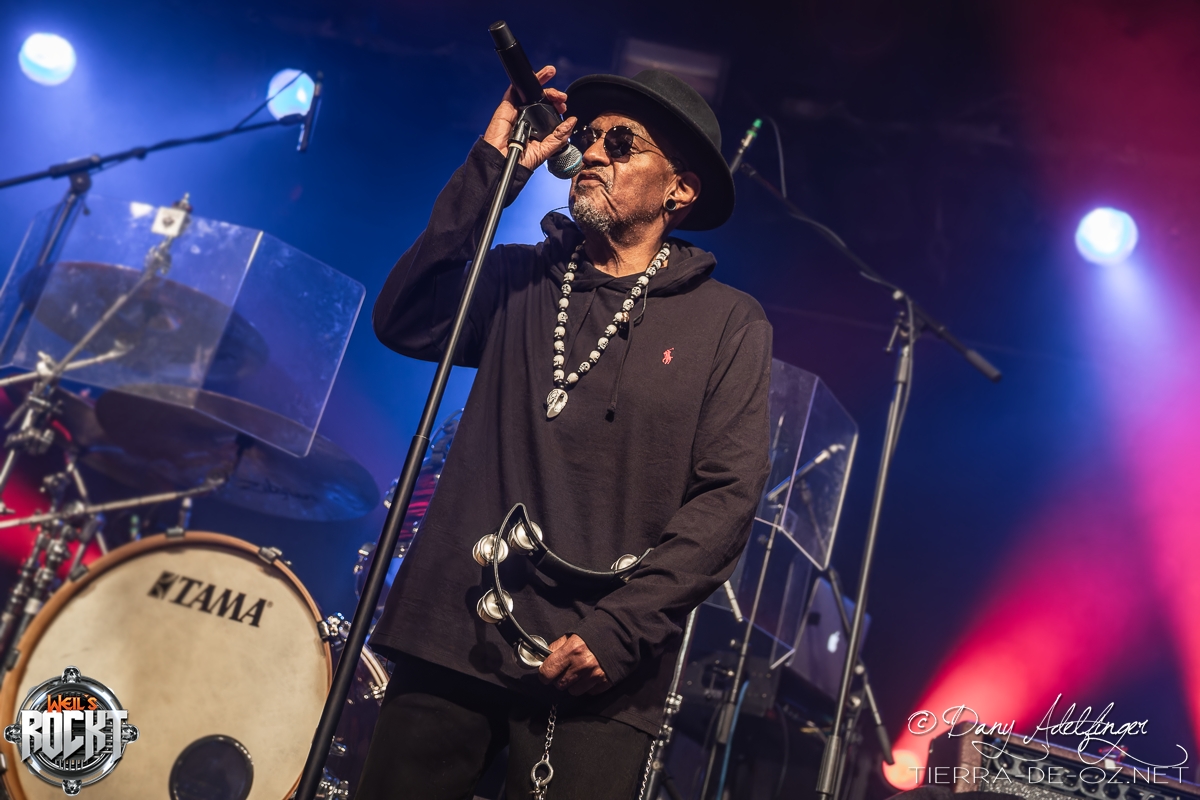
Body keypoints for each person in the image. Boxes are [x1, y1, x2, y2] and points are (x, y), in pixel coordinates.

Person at [355, 64, 773, 800]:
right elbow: (405, 318)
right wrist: (494, 169)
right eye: (592, 137)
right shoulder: (519, 278)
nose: (595, 153)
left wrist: (620, 631)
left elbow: (727, 500)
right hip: (453, 633)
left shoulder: (727, 323)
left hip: (597, 671)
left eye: (623, 142)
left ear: (679, 190)